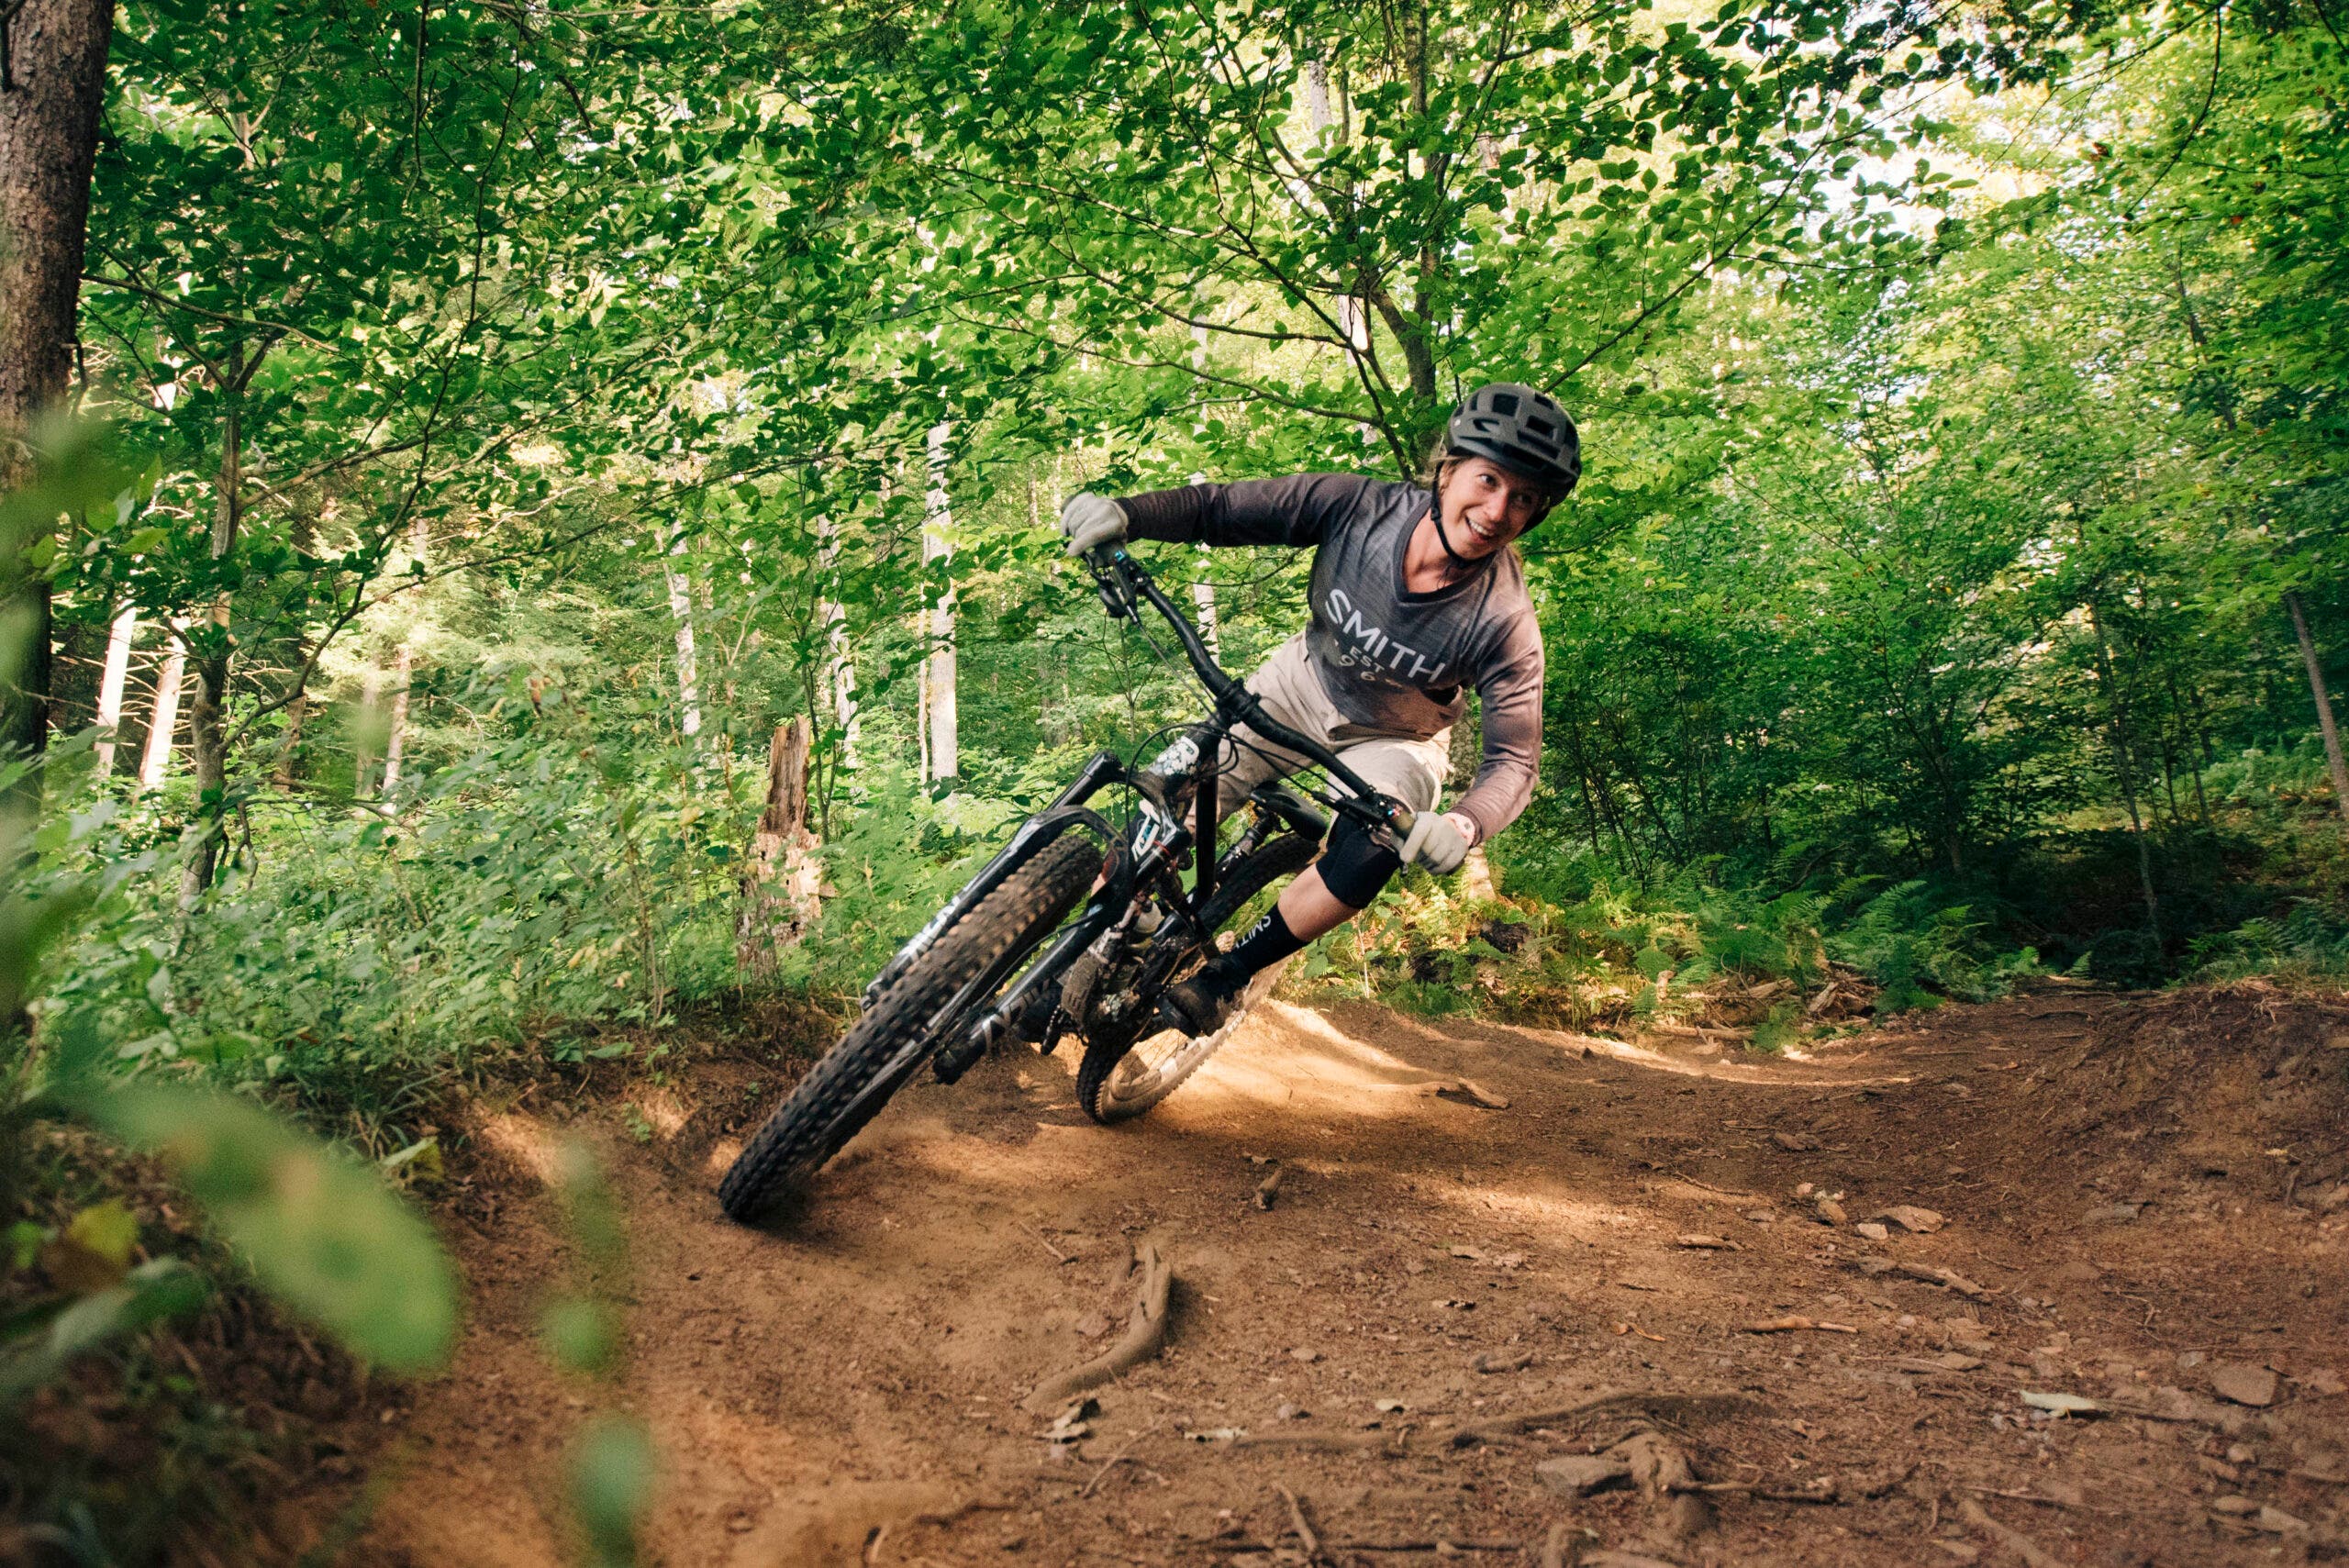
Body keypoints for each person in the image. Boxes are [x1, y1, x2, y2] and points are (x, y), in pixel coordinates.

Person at [1055, 382, 1579, 1038]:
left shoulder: (1504, 620)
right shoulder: (1359, 509)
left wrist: (1465, 824)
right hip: (1300, 682)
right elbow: (1221, 509)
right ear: (1448, 470)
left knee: (1377, 846)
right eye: (1489, 479)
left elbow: (1515, 759)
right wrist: (1128, 514)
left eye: (1523, 498)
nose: (1498, 509)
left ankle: (1226, 976)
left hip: (1396, 738)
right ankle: (1098, 943)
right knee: (1166, 791)